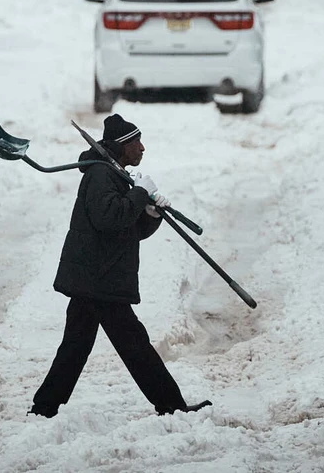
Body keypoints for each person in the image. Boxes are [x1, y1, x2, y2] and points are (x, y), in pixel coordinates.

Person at [29, 114, 211, 418]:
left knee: (78, 348)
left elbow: (129, 230)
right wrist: (139, 194)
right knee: (133, 346)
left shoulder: (114, 173)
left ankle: (44, 408)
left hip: (98, 277)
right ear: (123, 146)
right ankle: (172, 406)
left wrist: (150, 214)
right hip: (99, 277)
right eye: (136, 142)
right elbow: (109, 219)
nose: (142, 148)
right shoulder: (101, 175)